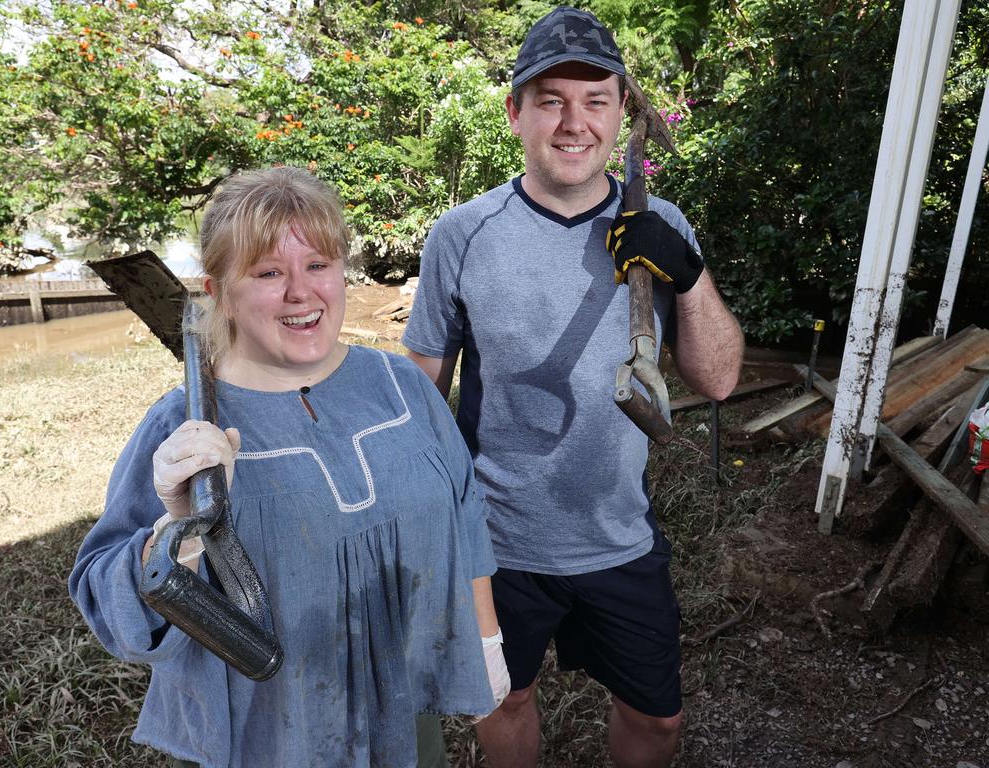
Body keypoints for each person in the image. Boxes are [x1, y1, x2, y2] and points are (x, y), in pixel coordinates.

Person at [69, 166, 510, 768]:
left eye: (318, 265)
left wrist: (485, 638)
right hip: (270, 731)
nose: (301, 292)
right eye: (269, 273)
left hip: (402, 709)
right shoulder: (185, 428)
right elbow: (108, 601)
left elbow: (464, 510)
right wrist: (176, 532)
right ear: (219, 292)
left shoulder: (401, 384)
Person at [403, 7, 743, 768]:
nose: (573, 122)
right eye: (551, 99)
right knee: (506, 697)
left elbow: (719, 379)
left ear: (624, 112)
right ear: (515, 111)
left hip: (618, 534)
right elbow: (422, 387)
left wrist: (685, 274)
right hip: (497, 540)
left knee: (655, 720)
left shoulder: (660, 225)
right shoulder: (462, 234)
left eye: (596, 100)